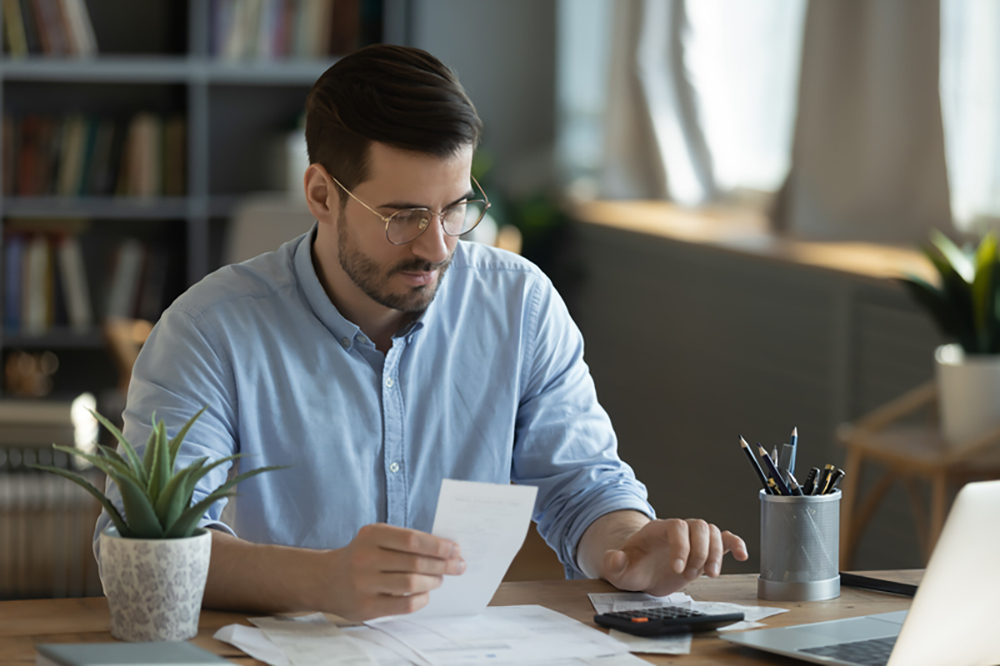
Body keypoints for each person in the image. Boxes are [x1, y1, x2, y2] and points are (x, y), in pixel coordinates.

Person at [93, 44, 747, 621]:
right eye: (403, 216)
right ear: (322, 195)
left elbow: (581, 484)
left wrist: (626, 545)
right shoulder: (208, 330)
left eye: (457, 208)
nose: (437, 247)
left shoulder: (519, 303)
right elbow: (141, 549)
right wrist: (321, 581)